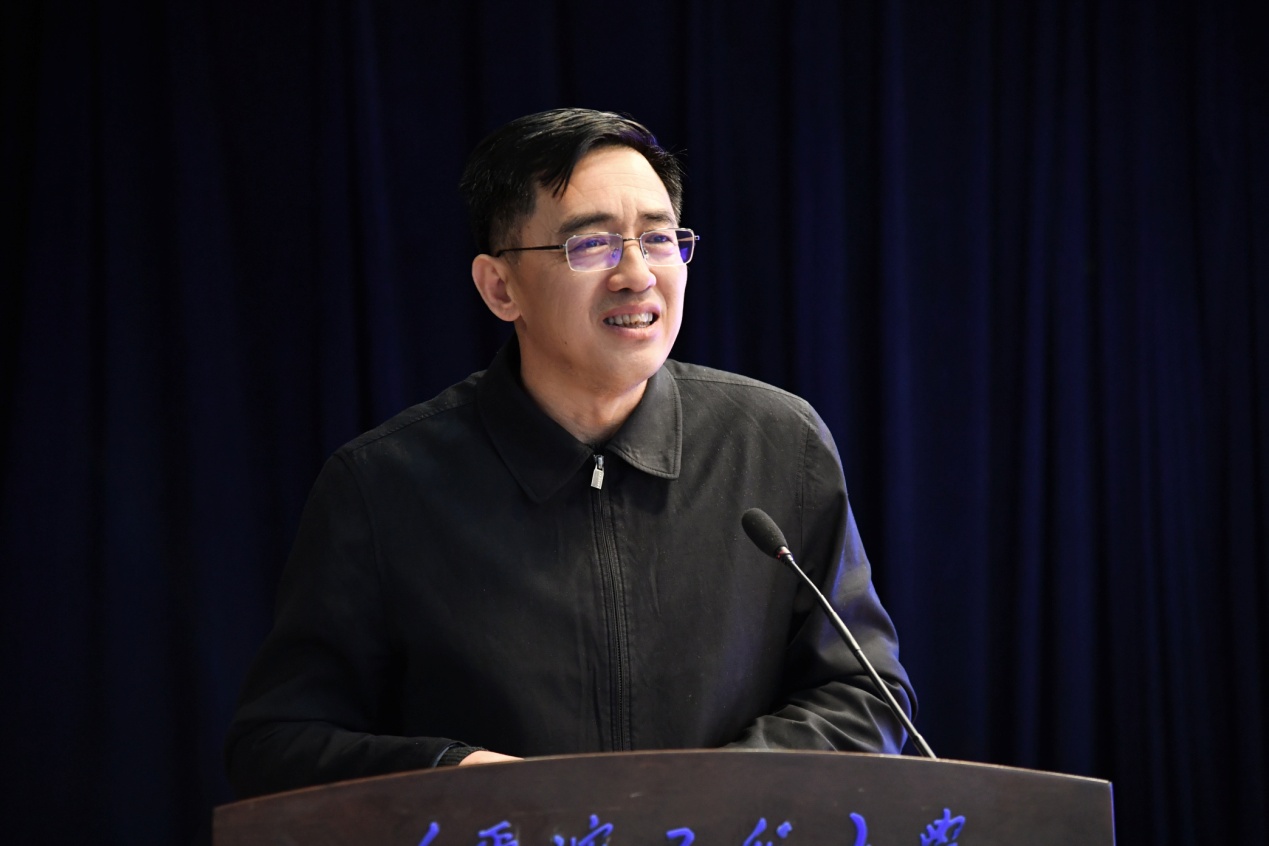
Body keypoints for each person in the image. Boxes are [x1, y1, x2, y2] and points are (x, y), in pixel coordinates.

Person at [225, 108, 916, 797]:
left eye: (658, 238)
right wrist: (452, 776)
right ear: (500, 288)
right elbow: (277, 746)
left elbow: (866, 697)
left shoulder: (777, 443)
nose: (636, 274)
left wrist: (704, 797)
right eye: (591, 245)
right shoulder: (382, 486)